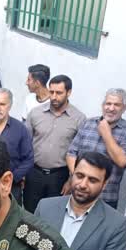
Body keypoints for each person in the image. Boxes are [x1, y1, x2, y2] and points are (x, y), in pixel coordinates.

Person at [66, 88, 126, 209]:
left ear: (124, 108)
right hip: (78, 193)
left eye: (116, 105)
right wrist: (78, 178)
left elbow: (122, 161)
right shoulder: (88, 123)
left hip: (105, 198)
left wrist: (106, 134)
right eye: (108, 103)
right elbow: (71, 153)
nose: (111, 108)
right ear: (102, 105)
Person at [24, 74, 86, 213]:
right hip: (34, 173)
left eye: (59, 93)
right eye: (51, 92)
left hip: (59, 176)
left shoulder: (79, 119)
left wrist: (71, 180)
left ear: (68, 92)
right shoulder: (36, 113)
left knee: (53, 214)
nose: (53, 97)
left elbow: (80, 154)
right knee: (29, 212)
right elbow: (25, 144)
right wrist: (24, 173)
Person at [0, 87, 33, 202]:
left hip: (12, 187)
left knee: (12, 213)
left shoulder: (20, 129)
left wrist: (12, 178)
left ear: (9, 106)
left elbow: (28, 159)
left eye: (2, 104)